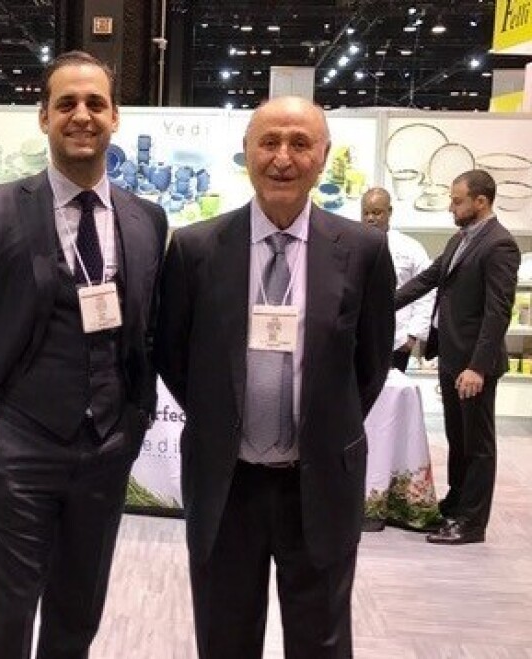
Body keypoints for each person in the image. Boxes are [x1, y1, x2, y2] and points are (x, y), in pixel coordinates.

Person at [0, 51, 167, 659]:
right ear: (43, 117)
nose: (81, 115)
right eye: (66, 104)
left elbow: (150, 332)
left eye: (95, 104)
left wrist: (134, 419)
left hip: (107, 448)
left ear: (115, 117)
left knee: (78, 614)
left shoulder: (147, 220)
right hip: (14, 447)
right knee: (5, 618)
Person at [154, 96, 395, 659]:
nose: (282, 157)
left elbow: (370, 364)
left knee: (322, 642)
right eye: (269, 142)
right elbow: (174, 355)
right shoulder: (195, 249)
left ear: (323, 156)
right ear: (246, 153)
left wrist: (319, 425)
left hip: (319, 484)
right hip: (226, 484)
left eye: (299, 143)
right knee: (225, 639)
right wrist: (227, 420)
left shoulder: (362, 251)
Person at [395, 169, 519, 545]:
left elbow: (498, 311)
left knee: (478, 444)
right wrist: (375, 306)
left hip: (472, 366)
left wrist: (477, 367)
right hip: (451, 360)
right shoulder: (459, 240)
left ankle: (472, 522)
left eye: (457, 200)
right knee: (457, 438)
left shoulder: (500, 245)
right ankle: (455, 505)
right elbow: (425, 281)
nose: (451, 206)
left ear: (481, 202)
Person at [362, 187, 434, 372]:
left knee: (392, 395)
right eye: (366, 213)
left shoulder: (410, 248)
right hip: (359, 339)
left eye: (377, 212)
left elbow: (426, 291)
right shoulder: (351, 246)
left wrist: (413, 335)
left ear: (390, 212)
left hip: (398, 339)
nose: (370, 218)